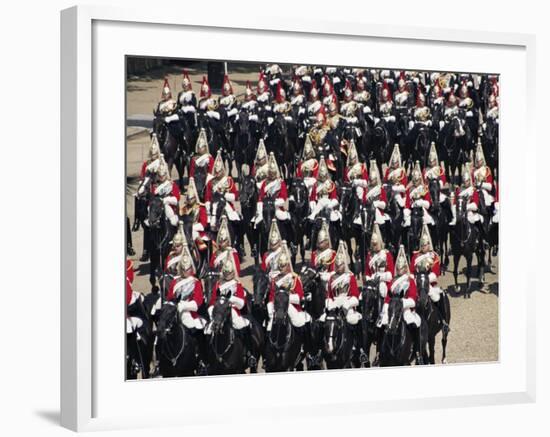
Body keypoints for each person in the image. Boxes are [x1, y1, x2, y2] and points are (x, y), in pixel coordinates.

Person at [206, 258, 256, 367]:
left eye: (229, 272)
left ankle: (249, 353)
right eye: (226, 273)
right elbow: (212, 301)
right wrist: (212, 311)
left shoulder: (237, 284)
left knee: (243, 325)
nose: (227, 275)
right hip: (218, 310)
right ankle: (205, 359)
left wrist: (231, 300)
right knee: (208, 330)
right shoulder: (218, 284)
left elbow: (241, 303)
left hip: (233, 309)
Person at [377, 245, 423, 364]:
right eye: (398, 267)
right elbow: (388, 296)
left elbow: (413, 297)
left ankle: (417, 352)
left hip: (405, 308)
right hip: (392, 307)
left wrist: (403, 303)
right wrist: (386, 307)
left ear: (405, 267)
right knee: (381, 324)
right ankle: (378, 353)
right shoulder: (392, 280)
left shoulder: (410, 280)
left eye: (401, 268)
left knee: (414, 324)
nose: (399, 269)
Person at [319, 241, 363, 345]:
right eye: (337, 265)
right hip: (334, 306)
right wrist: (329, 303)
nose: (338, 267)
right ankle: (319, 350)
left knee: (353, 320)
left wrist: (347, 304)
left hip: (347, 305)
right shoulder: (331, 277)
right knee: (322, 321)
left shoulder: (350, 277)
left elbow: (355, 295)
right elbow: (329, 294)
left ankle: (359, 348)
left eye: (341, 265)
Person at [411, 225, 450, 332]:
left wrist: (425, 279)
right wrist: (416, 280)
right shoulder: (415, 256)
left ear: (429, 244)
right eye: (422, 245)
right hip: (417, 284)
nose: (424, 246)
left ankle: (443, 321)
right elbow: (411, 271)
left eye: (426, 244)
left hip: (429, 284)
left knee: (437, 298)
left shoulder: (434, 256)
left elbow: (436, 273)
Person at [266, 245, 312, 334]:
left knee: (298, 322)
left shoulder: (295, 278)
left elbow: (300, 297)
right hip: (278, 306)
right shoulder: (274, 279)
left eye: (283, 266)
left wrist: (286, 298)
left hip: (293, 307)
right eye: (280, 266)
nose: (281, 268)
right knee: (269, 325)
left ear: (288, 265)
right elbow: (271, 296)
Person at [204, 150, 240, 229]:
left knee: (236, 222)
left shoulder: (229, 180)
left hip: (226, 204)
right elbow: (207, 197)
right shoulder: (210, 182)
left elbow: (235, 195)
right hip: (214, 205)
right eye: (216, 172)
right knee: (209, 224)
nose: (218, 174)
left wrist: (225, 195)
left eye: (219, 171)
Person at [255, 152, 290, 227]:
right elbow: (261, 197)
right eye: (270, 173)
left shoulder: (281, 182)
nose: (272, 175)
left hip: (276, 207)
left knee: (286, 219)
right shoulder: (264, 183)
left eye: (273, 173)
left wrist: (274, 203)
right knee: (256, 222)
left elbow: (284, 197)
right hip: (265, 207)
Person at [364, 223, 394, 301]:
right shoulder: (369, 255)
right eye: (373, 244)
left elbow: (391, 273)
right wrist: (369, 279)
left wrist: (380, 276)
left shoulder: (386, 254)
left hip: (385, 282)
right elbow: (367, 272)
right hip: (372, 282)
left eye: (376, 244)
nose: (374, 246)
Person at [308, 155, 340, 224]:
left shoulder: (331, 184)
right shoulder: (315, 184)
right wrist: (312, 204)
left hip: (328, 205)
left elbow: (334, 197)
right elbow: (312, 198)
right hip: (317, 205)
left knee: (335, 221)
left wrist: (330, 205)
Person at [180, 177, 208, 251]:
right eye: (188, 199)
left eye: (191, 199)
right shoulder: (183, 208)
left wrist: (191, 227)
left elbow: (203, 224)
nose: (189, 201)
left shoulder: (201, 208)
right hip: (184, 230)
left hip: (197, 231)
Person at [403, 161, 434, 227]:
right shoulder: (410, 189)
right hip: (412, 209)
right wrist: (406, 211)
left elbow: (428, 203)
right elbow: (407, 203)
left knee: (430, 222)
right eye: (414, 180)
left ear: (420, 179)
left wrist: (421, 203)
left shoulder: (424, 188)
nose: (416, 182)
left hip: (422, 209)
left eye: (417, 180)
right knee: (406, 224)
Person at [153, 158, 180, 227]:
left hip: (169, 206)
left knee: (173, 222)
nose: (161, 177)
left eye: (163, 175)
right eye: (160, 176)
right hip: (157, 207)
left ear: (166, 174)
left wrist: (166, 200)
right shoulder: (155, 185)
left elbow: (177, 199)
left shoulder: (172, 184)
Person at [384, 144, 408, 208]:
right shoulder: (388, 170)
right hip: (389, 189)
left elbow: (404, 186)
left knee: (398, 197)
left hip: (397, 190)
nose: (394, 164)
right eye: (393, 162)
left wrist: (395, 188)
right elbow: (385, 181)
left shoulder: (401, 171)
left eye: (395, 163)